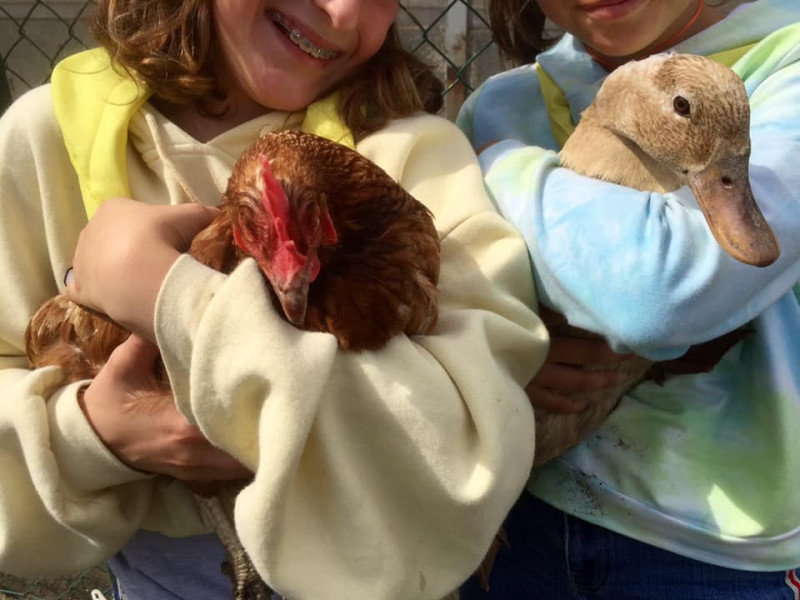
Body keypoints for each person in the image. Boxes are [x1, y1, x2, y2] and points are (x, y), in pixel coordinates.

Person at [0, 1, 559, 598]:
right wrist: (97, 435)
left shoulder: (419, 158)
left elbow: (467, 449)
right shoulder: (44, 137)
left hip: (379, 564)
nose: (341, 12)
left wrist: (170, 295)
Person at [457, 0, 800, 598]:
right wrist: (499, 353)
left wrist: (498, 160)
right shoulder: (503, 100)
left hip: (711, 547)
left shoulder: (786, 66)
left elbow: (655, 297)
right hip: (520, 511)